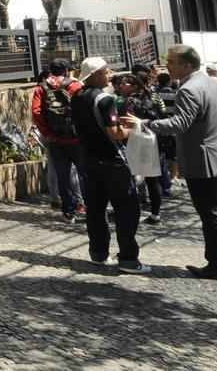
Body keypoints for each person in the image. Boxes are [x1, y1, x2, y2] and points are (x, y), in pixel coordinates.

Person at [123, 45, 217, 281]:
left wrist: (145, 123)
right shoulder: (216, 84)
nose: (167, 66)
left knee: (211, 213)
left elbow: (179, 123)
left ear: (187, 64)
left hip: (203, 158)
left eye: (172, 62)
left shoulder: (188, 89)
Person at [71, 57, 149, 274]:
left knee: (95, 210)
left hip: (88, 160)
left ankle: (98, 253)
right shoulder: (105, 100)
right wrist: (133, 129)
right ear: (95, 74)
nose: (110, 75)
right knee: (127, 210)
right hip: (112, 162)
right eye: (106, 72)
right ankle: (128, 259)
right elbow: (114, 133)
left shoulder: (76, 97)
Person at [31, 60, 86, 224]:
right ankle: (89, 206)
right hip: (76, 139)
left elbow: (36, 112)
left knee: (63, 176)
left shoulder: (41, 88)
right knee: (85, 174)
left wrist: (47, 133)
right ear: (67, 71)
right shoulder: (75, 86)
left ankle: (68, 212)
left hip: (56, 140)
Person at [114, 72, 165, 226]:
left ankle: (130, 211)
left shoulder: (125, 101)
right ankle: (155, 213)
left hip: (133, 141)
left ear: (135, 85)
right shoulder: (152, 96)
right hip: (152, 141)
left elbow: (121, 121)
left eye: (125, 83)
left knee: (130, 176)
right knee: (151, 178)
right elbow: (161, 117)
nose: (121, 85)